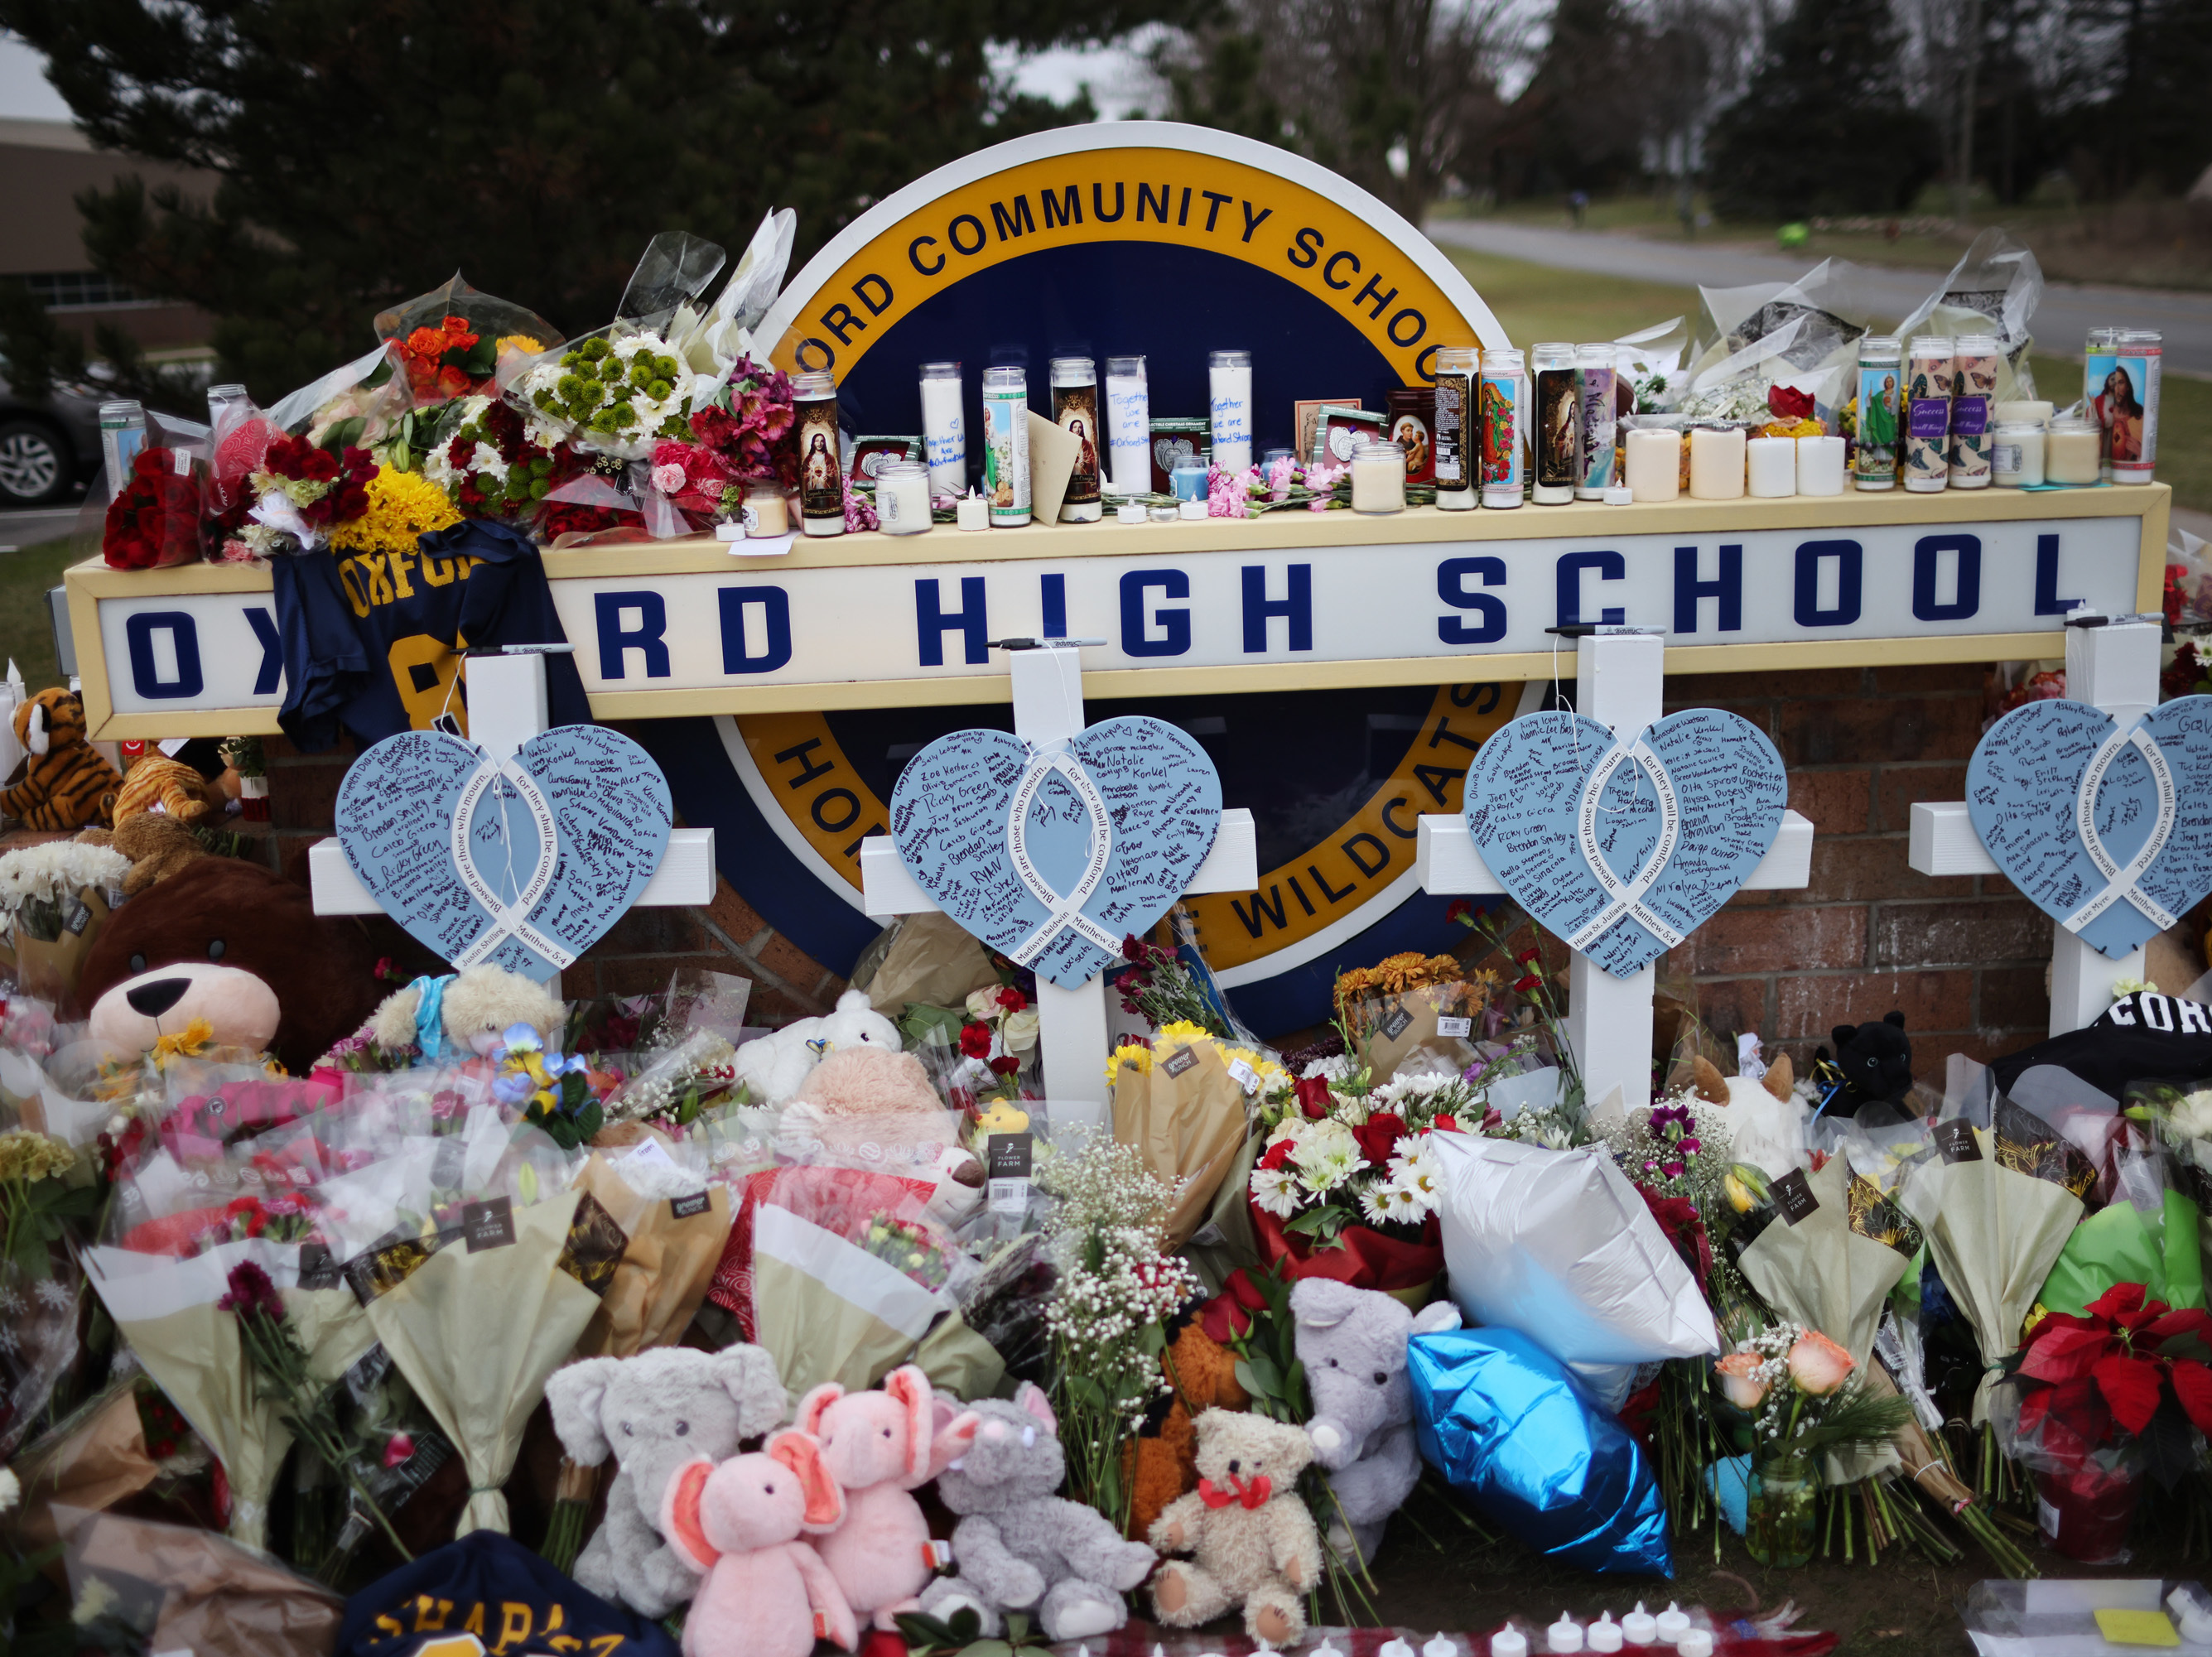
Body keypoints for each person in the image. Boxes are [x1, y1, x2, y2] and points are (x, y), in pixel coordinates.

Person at [2095, 368, 2145, 465]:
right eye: (2114, 384)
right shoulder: (2103, 411)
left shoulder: (2139, 419)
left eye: (2121, 383)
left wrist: (2140, 452)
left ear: (2128, 387)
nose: (2116, 389)